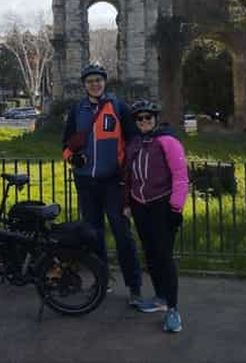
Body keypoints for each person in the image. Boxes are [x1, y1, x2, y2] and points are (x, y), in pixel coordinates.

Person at [62, 63, 143, 304]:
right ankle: (101, 282)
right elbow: (65, 145)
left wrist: (127, 170)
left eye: (98, 80)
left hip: (113, 182)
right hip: (86, 181)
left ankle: (134, 288)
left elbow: (133, 141)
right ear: (84, 85)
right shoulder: (77, 110)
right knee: (93, 234)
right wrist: (73, 157)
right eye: (90, 81)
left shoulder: (118, 107)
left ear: (104, 82)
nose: (95, 84)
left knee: (122, 234)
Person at [124, 99, 189, 333]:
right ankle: (160, 297)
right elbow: (129, 177)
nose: (144, 121)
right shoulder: (133, 144)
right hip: (140, 205)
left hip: (162, 205)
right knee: (150, 254)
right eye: (139, 118)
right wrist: (128, 203)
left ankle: (173, 309)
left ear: (155, 119)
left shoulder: (168, 141)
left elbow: (180, 175)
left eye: (148, 117)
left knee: (164, 256)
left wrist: (176, 208)